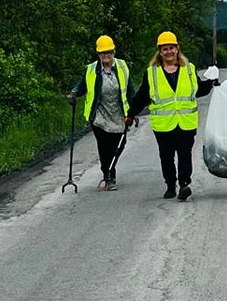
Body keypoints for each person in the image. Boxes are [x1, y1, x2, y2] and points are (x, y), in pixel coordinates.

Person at [127, 31, 217, 200]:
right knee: (166, 157)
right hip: (163, 124)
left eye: (171, 48)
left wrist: (211, 83)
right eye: (165, 49)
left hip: (185, 122)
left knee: (185, 154)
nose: (168, 52)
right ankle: (170, 185)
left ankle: (184, 184)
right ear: (160, 52)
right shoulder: (151, 73)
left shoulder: (189, 69)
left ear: (177, 49)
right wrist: (130, 114)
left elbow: (198, 90)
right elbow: (142, 96)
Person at [67, 35, 136, 191]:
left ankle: (110, 171)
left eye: (109, 52)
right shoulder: (91, 69)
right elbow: (82, 85)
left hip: (118, 113)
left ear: (113, 52)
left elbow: (130, 89)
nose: (106, 56)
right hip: (99, 115)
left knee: (119, 145)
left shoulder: (122, 66)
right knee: (104, 146)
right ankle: (108, 175)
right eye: (103, 53)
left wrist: (134, 109)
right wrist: (73, 93)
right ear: (98, 54)